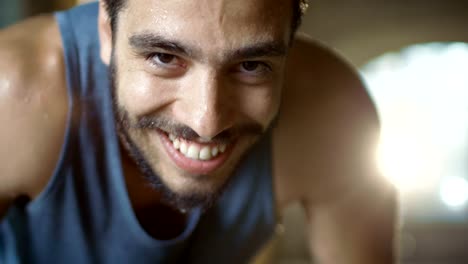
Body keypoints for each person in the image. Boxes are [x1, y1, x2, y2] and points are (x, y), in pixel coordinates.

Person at [0, 0, 396, 263]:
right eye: (164, 57)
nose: (206, 122)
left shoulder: (333, 116)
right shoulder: (15, 94)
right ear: (107, 30)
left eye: (252, 65)